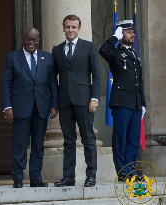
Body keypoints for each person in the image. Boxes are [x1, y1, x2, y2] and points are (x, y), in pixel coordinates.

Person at [1, 28, 58, 188]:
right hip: (20, 108)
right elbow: (6, 84)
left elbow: (53, 82)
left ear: (38, 40)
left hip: (42, 107)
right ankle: (18, 177)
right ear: (23, 39)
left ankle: (35, 178)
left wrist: (54, 105)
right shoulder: (12, 58)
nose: (31, 43)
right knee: (19, 144)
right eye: (28, 39)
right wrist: (7, 106)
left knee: (38, 144)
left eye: (34, 39)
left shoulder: (47, 57)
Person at [52, 15, 101, 187]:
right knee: (68, 140)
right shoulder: (56, 50)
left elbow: (96, 75)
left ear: (79, 28)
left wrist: (94, 98)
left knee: (88, 139)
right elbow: (53, 78)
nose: (70, 30)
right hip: (64, 100)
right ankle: (68, 177)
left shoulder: (88, 47)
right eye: (67, 27)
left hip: (84, 100)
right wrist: (54, 103)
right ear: (63, 28)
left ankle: (91, 176)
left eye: (74, 27)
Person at [99, 20, 146, 182]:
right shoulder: (115, 52)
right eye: (128, 32)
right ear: (121, 34)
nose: (133, 35)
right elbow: (102, 50)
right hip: (121, 102)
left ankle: (131, 171)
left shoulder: (134, 54)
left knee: (133, 139)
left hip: (135, 103)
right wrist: (114, 38)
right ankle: (122, 172)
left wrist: (143, 103)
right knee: (121, 138)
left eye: (133, 31)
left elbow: (139, 81)